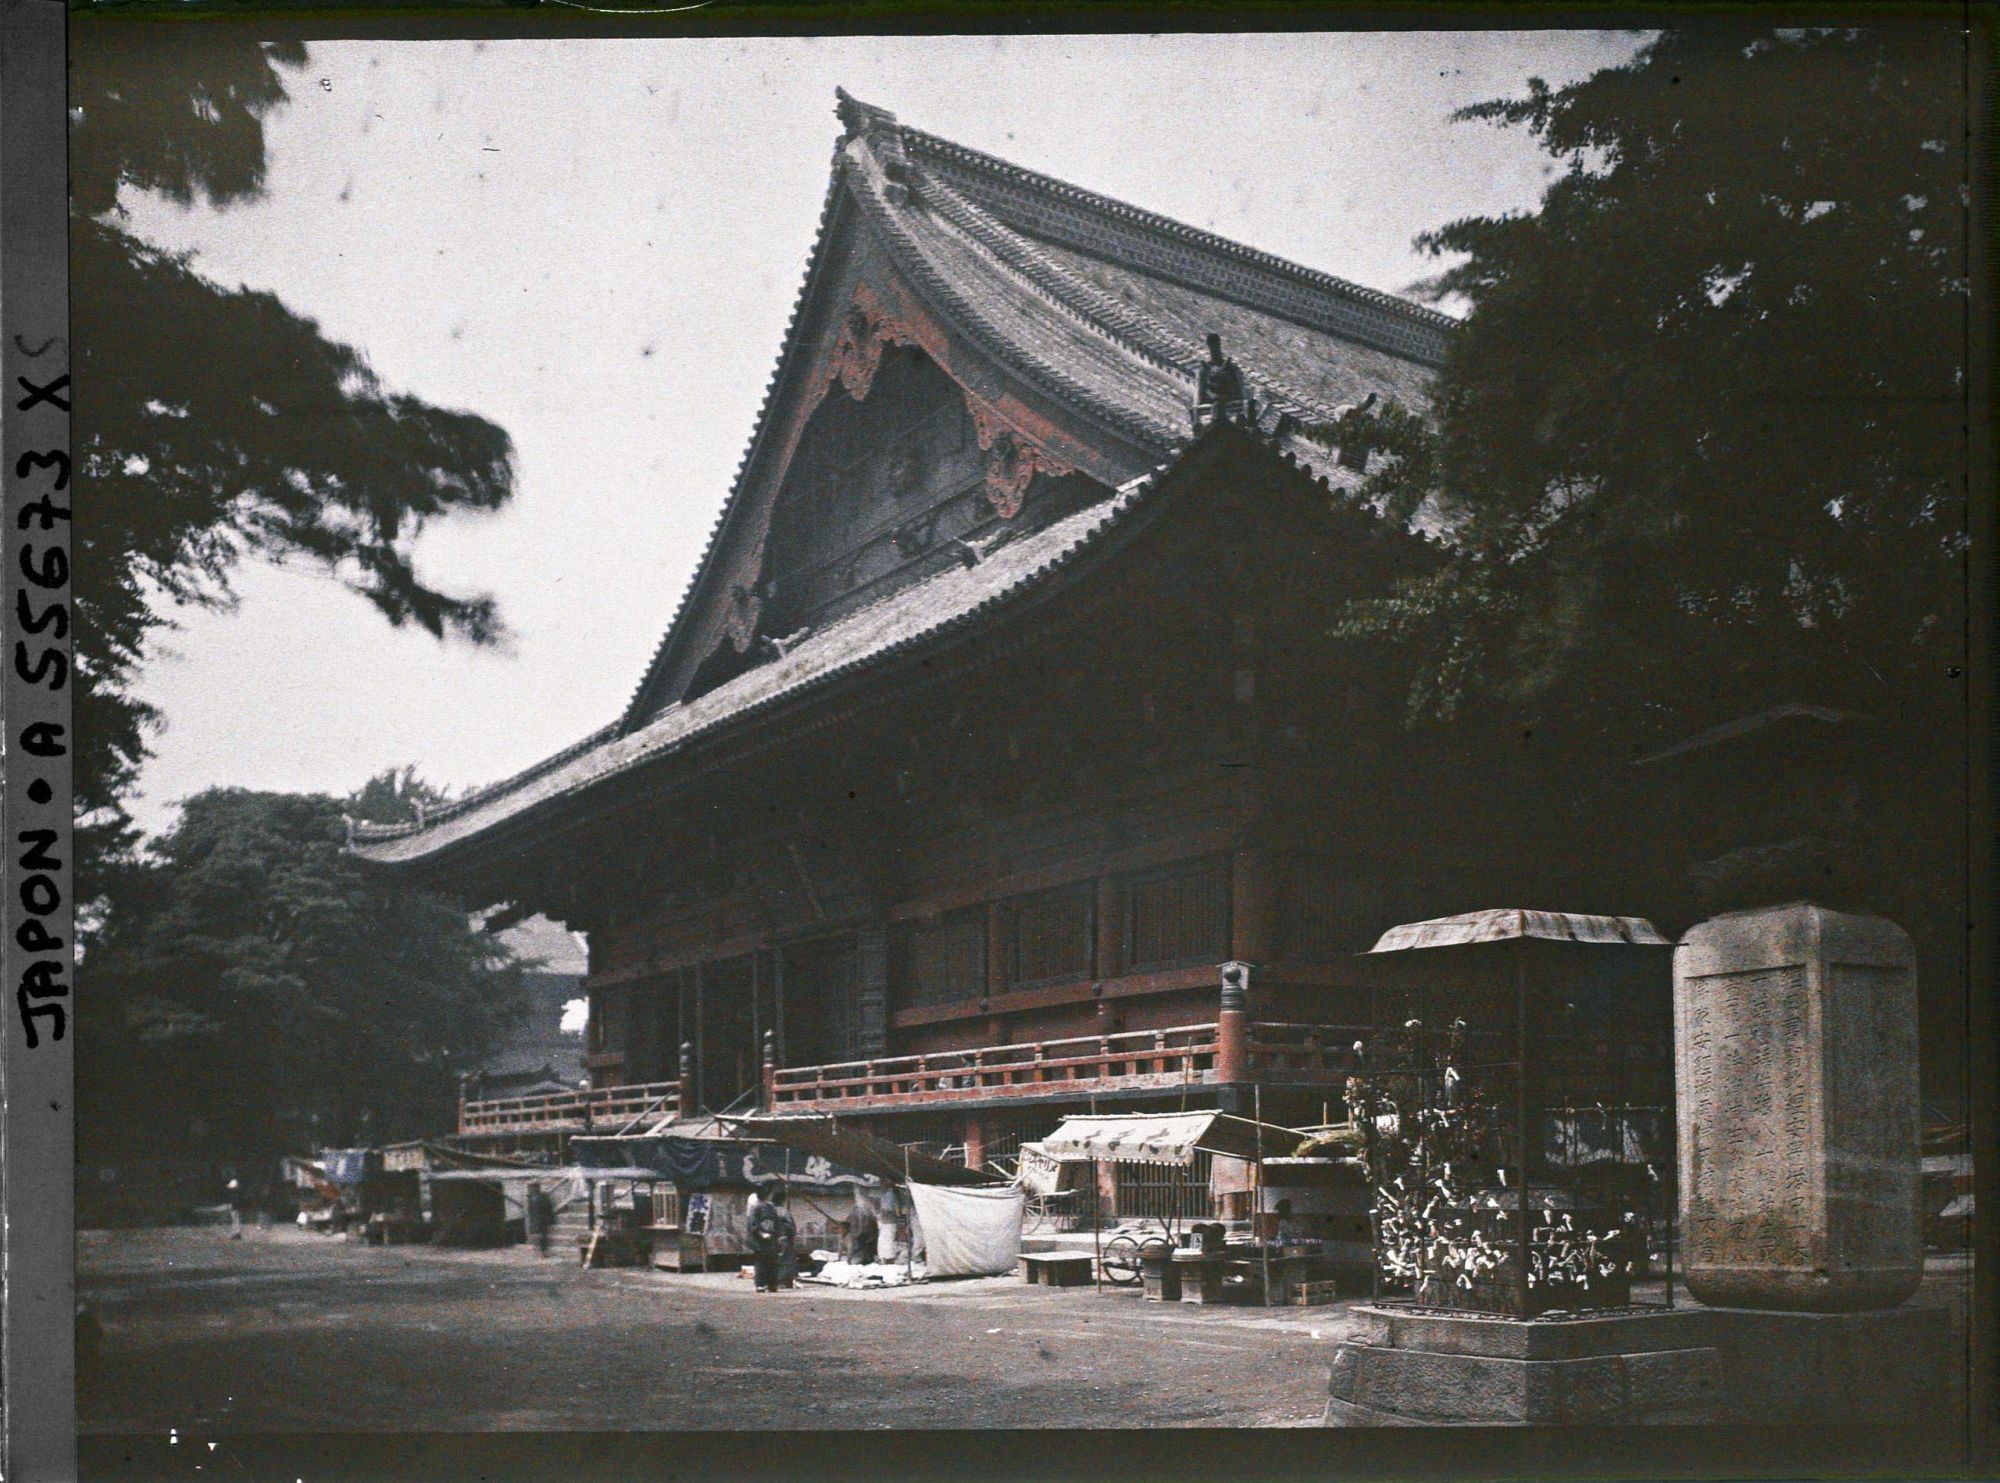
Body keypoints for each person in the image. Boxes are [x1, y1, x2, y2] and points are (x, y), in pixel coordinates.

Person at [746, 1183, 796, 1293]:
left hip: (772, 1238)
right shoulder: (757, 1208)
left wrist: (777, 1235)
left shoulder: (770, 1208)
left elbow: (776, 1223)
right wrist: (761, 1233)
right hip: (761, 1239)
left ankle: (772, 1284)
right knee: (762, 1262)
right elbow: (753, 1224)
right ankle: (761, 1284)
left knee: (772, 1262)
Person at [527, 1183, 556, 1258]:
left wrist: (551, 1221)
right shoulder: (530, 1198)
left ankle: (543, 1252)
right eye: (530, 1188)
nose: (530, 1190)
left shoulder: (544, 1197)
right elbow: (530, 1210)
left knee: (543, 1237)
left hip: (543, 1219)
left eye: (532, 1188)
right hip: (534, 1219)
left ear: (537, 1188)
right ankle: (537, 1250)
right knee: (535, 1235)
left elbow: (549, 1209)